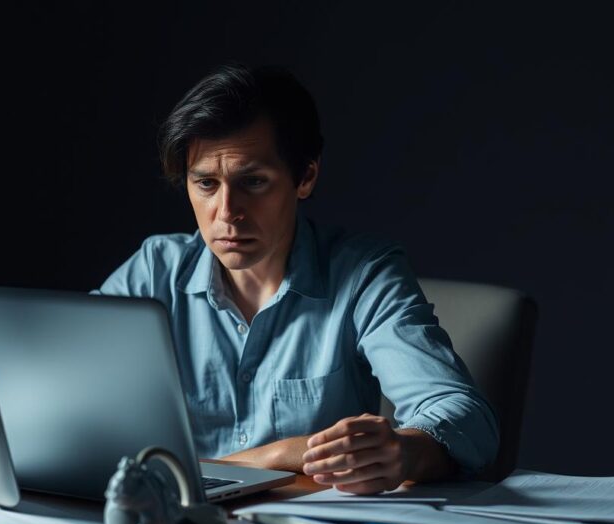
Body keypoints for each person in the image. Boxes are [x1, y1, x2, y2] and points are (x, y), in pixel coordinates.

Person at [95, 64, 498, 494]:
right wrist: (275, 456)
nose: (227, 212)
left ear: (305, 176)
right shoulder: (154, 269)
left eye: (253, 182)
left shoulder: (364, 274)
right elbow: (70, 400)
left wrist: (406, 452)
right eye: (207, 184)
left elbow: (467, 418)